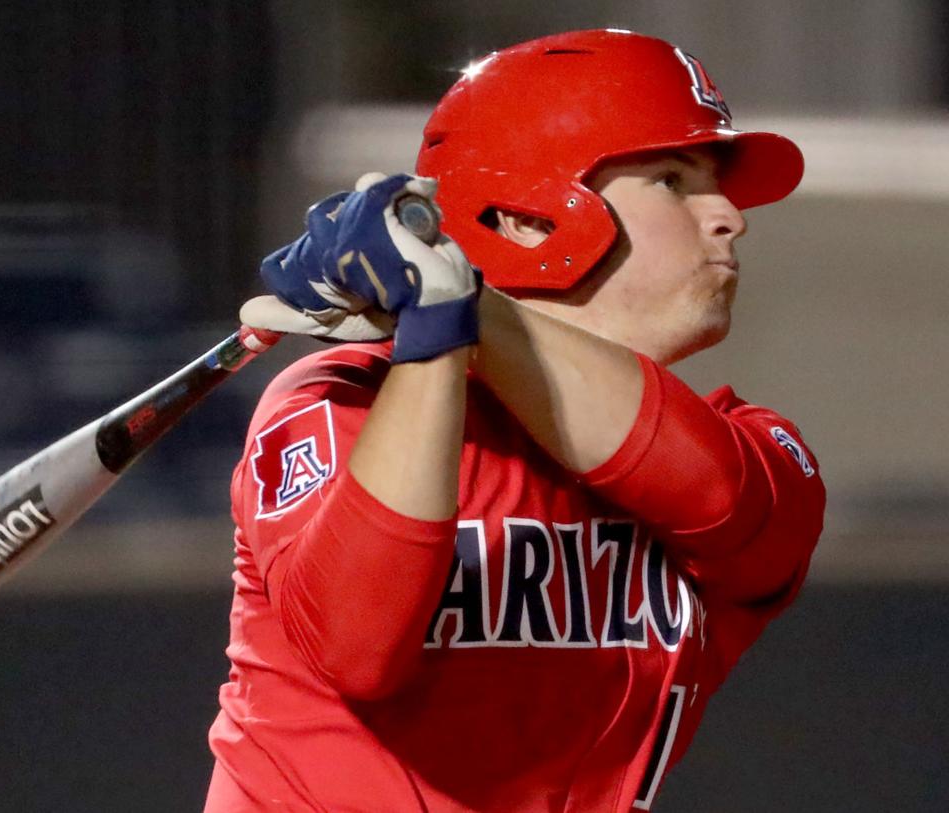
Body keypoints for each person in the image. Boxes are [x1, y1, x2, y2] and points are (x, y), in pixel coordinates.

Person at [205, 29, 825, 812]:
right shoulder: (341, 395)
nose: (729, 216)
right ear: (527, 218)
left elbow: (711, 490)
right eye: (672, 180)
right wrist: (436, 328)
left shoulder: (758, 450)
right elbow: (358, 644)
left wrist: (455, 304)